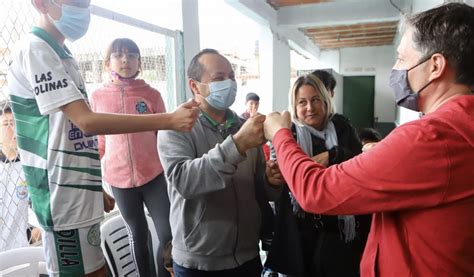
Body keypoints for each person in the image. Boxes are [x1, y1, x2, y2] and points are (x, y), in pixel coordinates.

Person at [263, 3, 474, 276]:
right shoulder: (458, 127)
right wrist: (387, 157)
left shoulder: (432, 137)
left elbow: (315, 190)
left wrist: (279, 132)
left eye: (401, 59)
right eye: (302, 102)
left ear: (435, 65)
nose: (396, 70)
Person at [7, 0, 199, 276]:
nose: (82, 8)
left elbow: (69, 135)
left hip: (80, 195)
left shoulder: (63, 54)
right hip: (60, 202)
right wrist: (168, 120)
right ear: (41, 3)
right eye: (74, 2)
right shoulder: (35, 49)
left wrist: (91, 185)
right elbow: (86, 122)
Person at [158, 48, 280, 277]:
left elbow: (261, 192)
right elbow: (185, 182)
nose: (229, 83)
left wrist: (271, 182)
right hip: (198, 263)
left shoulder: (244, 127)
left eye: (232, 77)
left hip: (247, 257)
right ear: (195, 86)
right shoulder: (176, 127)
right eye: (218, 78)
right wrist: (237, 145)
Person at [265, 74, 367, 277]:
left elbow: (360, 163)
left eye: (315, 100)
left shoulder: (341, 126)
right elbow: (276, 187)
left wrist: (333, 155)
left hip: (340, 234)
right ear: (294, 106)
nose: (310, 108)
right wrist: (271, 177)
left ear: (325, 101)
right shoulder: (289, 133)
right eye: (302, 102)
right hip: (300, 233)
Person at [90, 38, 172, 277]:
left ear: (139, 62)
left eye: (132, 55)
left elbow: (163, 136)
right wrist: (96, 178)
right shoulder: (98, 97)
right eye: (118, 55)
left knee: (167, 233)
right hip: (119, 180)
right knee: (138, 233)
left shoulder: (152, 95)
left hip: (154, 176)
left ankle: (163, 274)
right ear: (107, 63)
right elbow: (100, 141)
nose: (125, 60)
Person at [0, 105, 29, 251]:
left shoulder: (29, 164)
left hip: (23, 247)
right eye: (7, 124)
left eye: (16, 123)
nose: (14, 129)